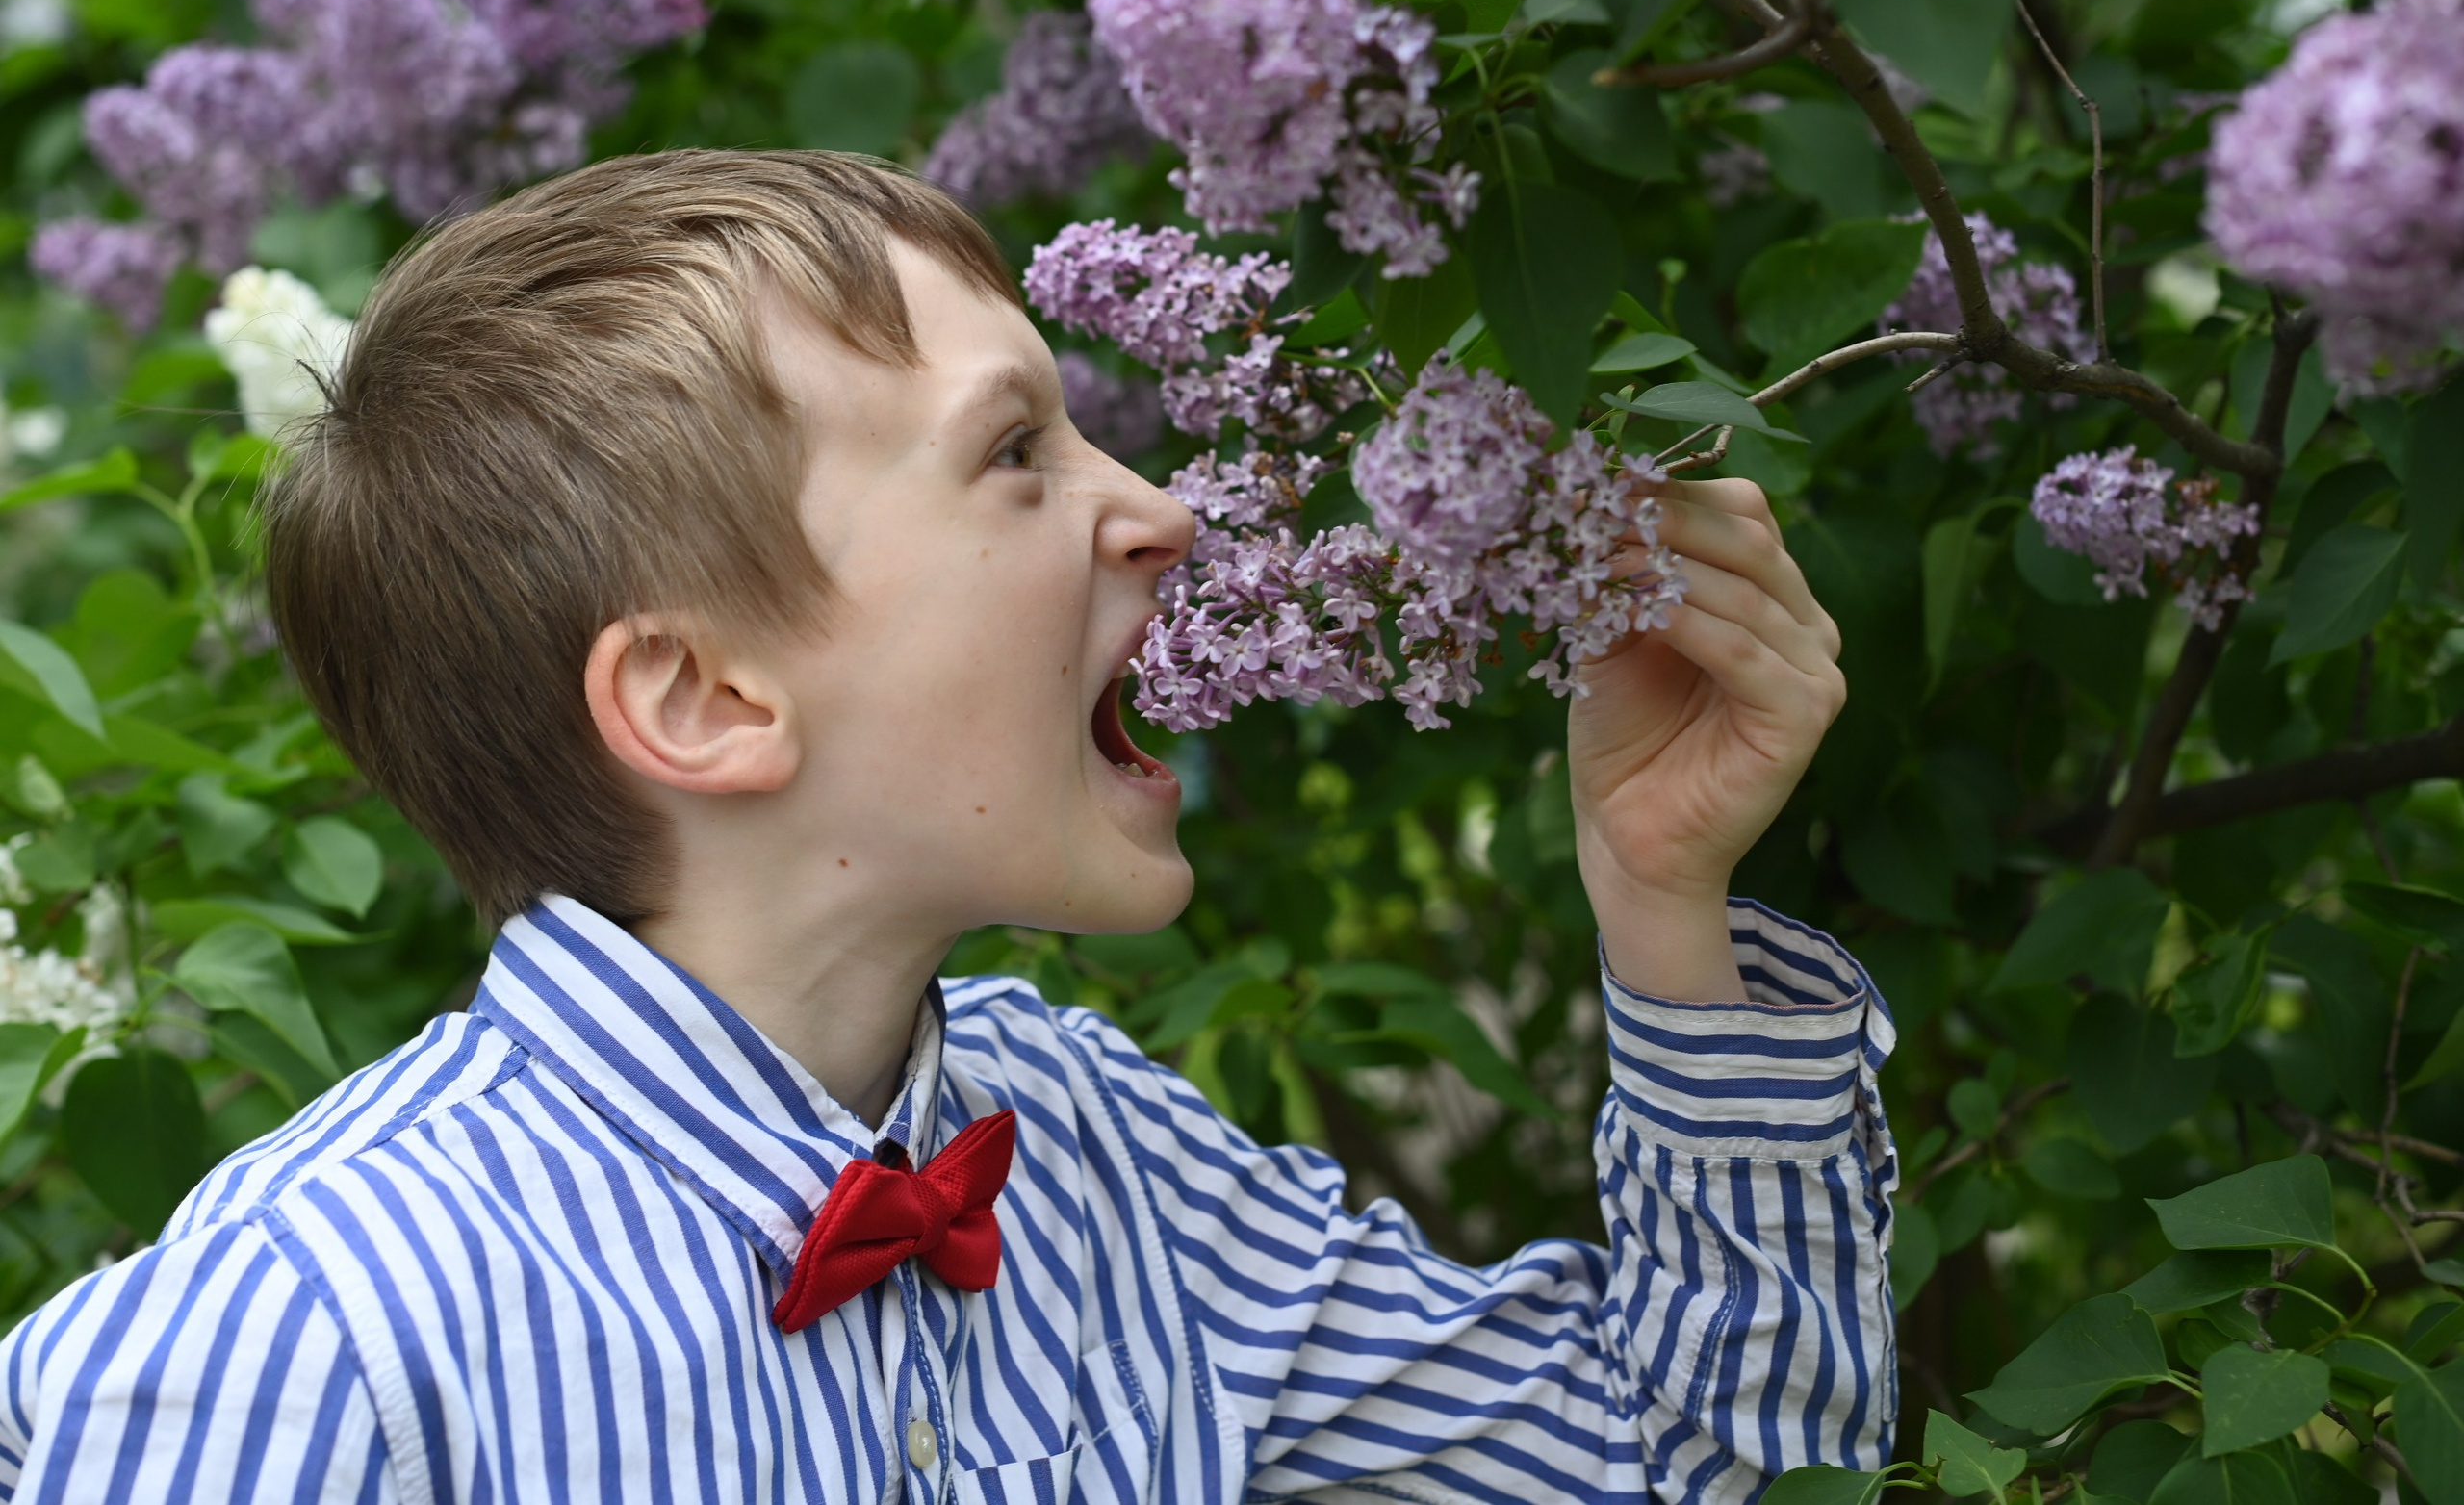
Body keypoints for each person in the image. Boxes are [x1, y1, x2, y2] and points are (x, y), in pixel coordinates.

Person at [0, 150, 1894, 1504]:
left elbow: (1695, 1474)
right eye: (1013, 451)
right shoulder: (302, 1339)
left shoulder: (1101, 1161)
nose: (1161, 511)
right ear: (704, 700)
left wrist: (1663, 901)